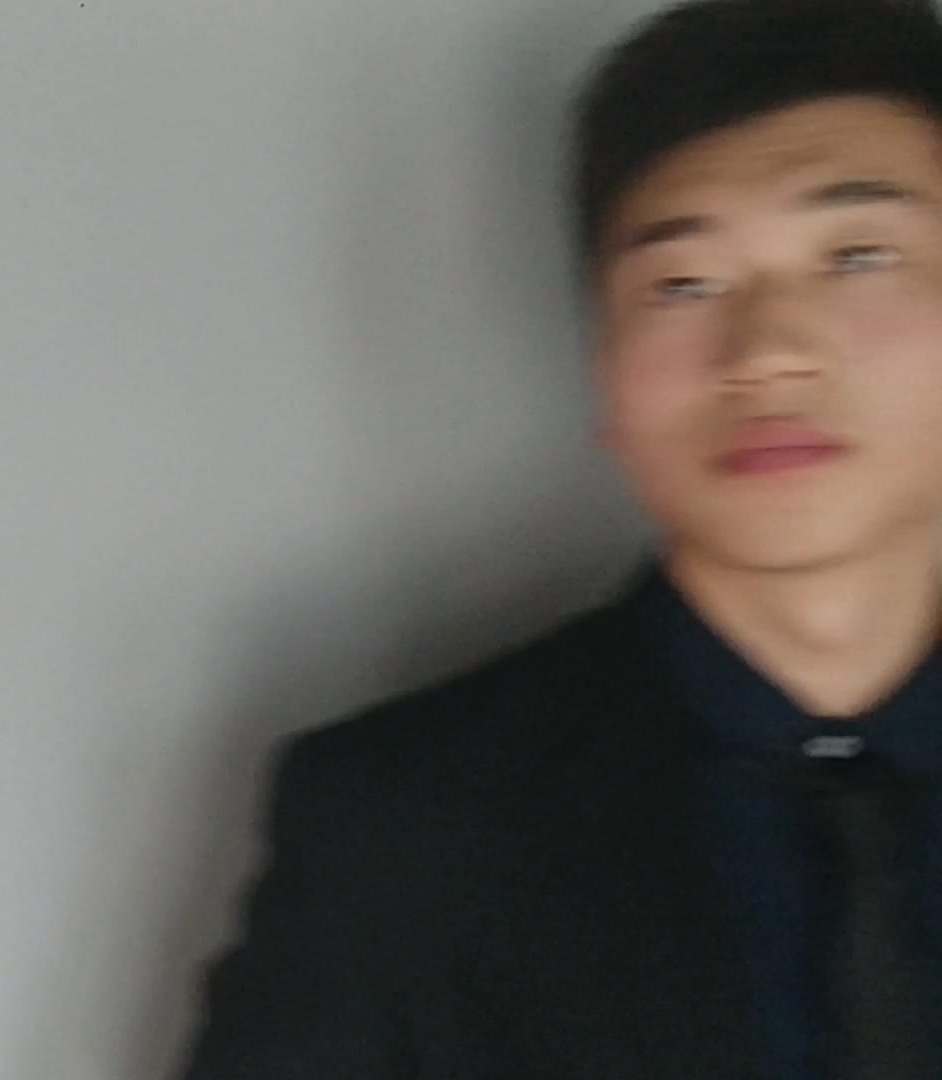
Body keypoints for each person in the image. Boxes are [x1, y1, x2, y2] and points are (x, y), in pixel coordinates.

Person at [175, 0, 942, 1077]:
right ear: (607, 374)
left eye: (858, 255)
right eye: (683, 284)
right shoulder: (397, 831)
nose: (768, 351)